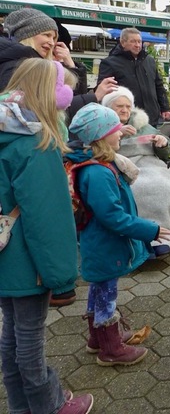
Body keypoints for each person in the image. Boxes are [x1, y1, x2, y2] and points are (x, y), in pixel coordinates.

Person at [0, 58, 95, 414]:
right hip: (27, 257)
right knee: (29, 340)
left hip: (4, 251)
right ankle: (48, 405)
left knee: (10, 334)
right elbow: (48, 217)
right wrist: (60, 274)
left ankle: (20, 406)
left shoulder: (7, 128)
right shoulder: (36, 142)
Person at [67, 103, 170, 367]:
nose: (120, 135)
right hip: (105, 245)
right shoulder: (99, 172)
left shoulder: (99, 165)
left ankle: (97, 338)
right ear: (101, 136)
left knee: (99, 290)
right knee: (106, 296)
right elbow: (112, 217)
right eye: (115, 130)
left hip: (100, 244)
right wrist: (151, 229)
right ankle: (111, 348)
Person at [101, 86, 170, 255]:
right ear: (109, 108)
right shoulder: (101, 126)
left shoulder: (142, 125)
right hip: (124, 168)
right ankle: (140, 240)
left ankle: (164, 238)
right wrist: (116, 134)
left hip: (152, 165)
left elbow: (166, 154)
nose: (125, 110)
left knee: (163, 186)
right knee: (137, 189)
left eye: (127, 106)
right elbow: (97, 151)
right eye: (119, 106)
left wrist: (162, 143)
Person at [0, 8, 118, 121]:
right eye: (46, 35)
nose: (51, 42)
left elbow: (65, 101)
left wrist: (71, 65)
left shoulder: (32, 63)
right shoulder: (16, 66)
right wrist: (93, 97)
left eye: (54, 38)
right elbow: (44, 111)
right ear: (27, 35)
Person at [97, 27, 170, 127]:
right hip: (127, 118)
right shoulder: (110, 63)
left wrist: (165, 108)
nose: (137, 45)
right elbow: (104, 92)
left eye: (139, 42)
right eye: (133, 41)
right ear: (123, 43)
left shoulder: (149, 61)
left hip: (152, 117)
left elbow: (158, 86)